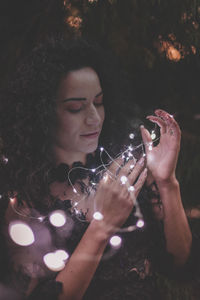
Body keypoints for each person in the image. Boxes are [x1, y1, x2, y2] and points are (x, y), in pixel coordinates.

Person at [0, 36, 197, 300]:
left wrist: (167, 183)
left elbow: (178, 264)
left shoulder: (125, 171)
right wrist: (102, 227)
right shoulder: (28, 203)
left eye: (99, 102)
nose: (94, 117)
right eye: (76, 107)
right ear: (43, 114)